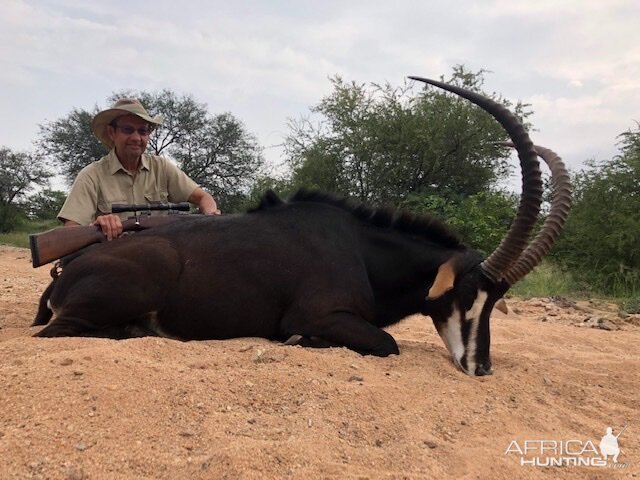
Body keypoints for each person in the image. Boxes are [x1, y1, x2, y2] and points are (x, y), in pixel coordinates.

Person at [57, 98, 220, 240]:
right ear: (111, 132)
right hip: (111, 262)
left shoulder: (161, 167)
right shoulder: (91, 175)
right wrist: (97, 226)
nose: (136, 138)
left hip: (160, 258)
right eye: (127, 130)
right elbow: (71, 230)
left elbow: (204, 198)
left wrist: (210, 218)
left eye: (143, 131)